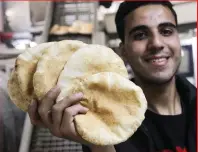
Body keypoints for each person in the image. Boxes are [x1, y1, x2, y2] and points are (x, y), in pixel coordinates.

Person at [28, 1, 196, 152]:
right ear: (123, 51)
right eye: (140, 35)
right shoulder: (100, 124)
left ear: (178, 40)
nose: (157, 44)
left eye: (166, 31)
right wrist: (99, 146)